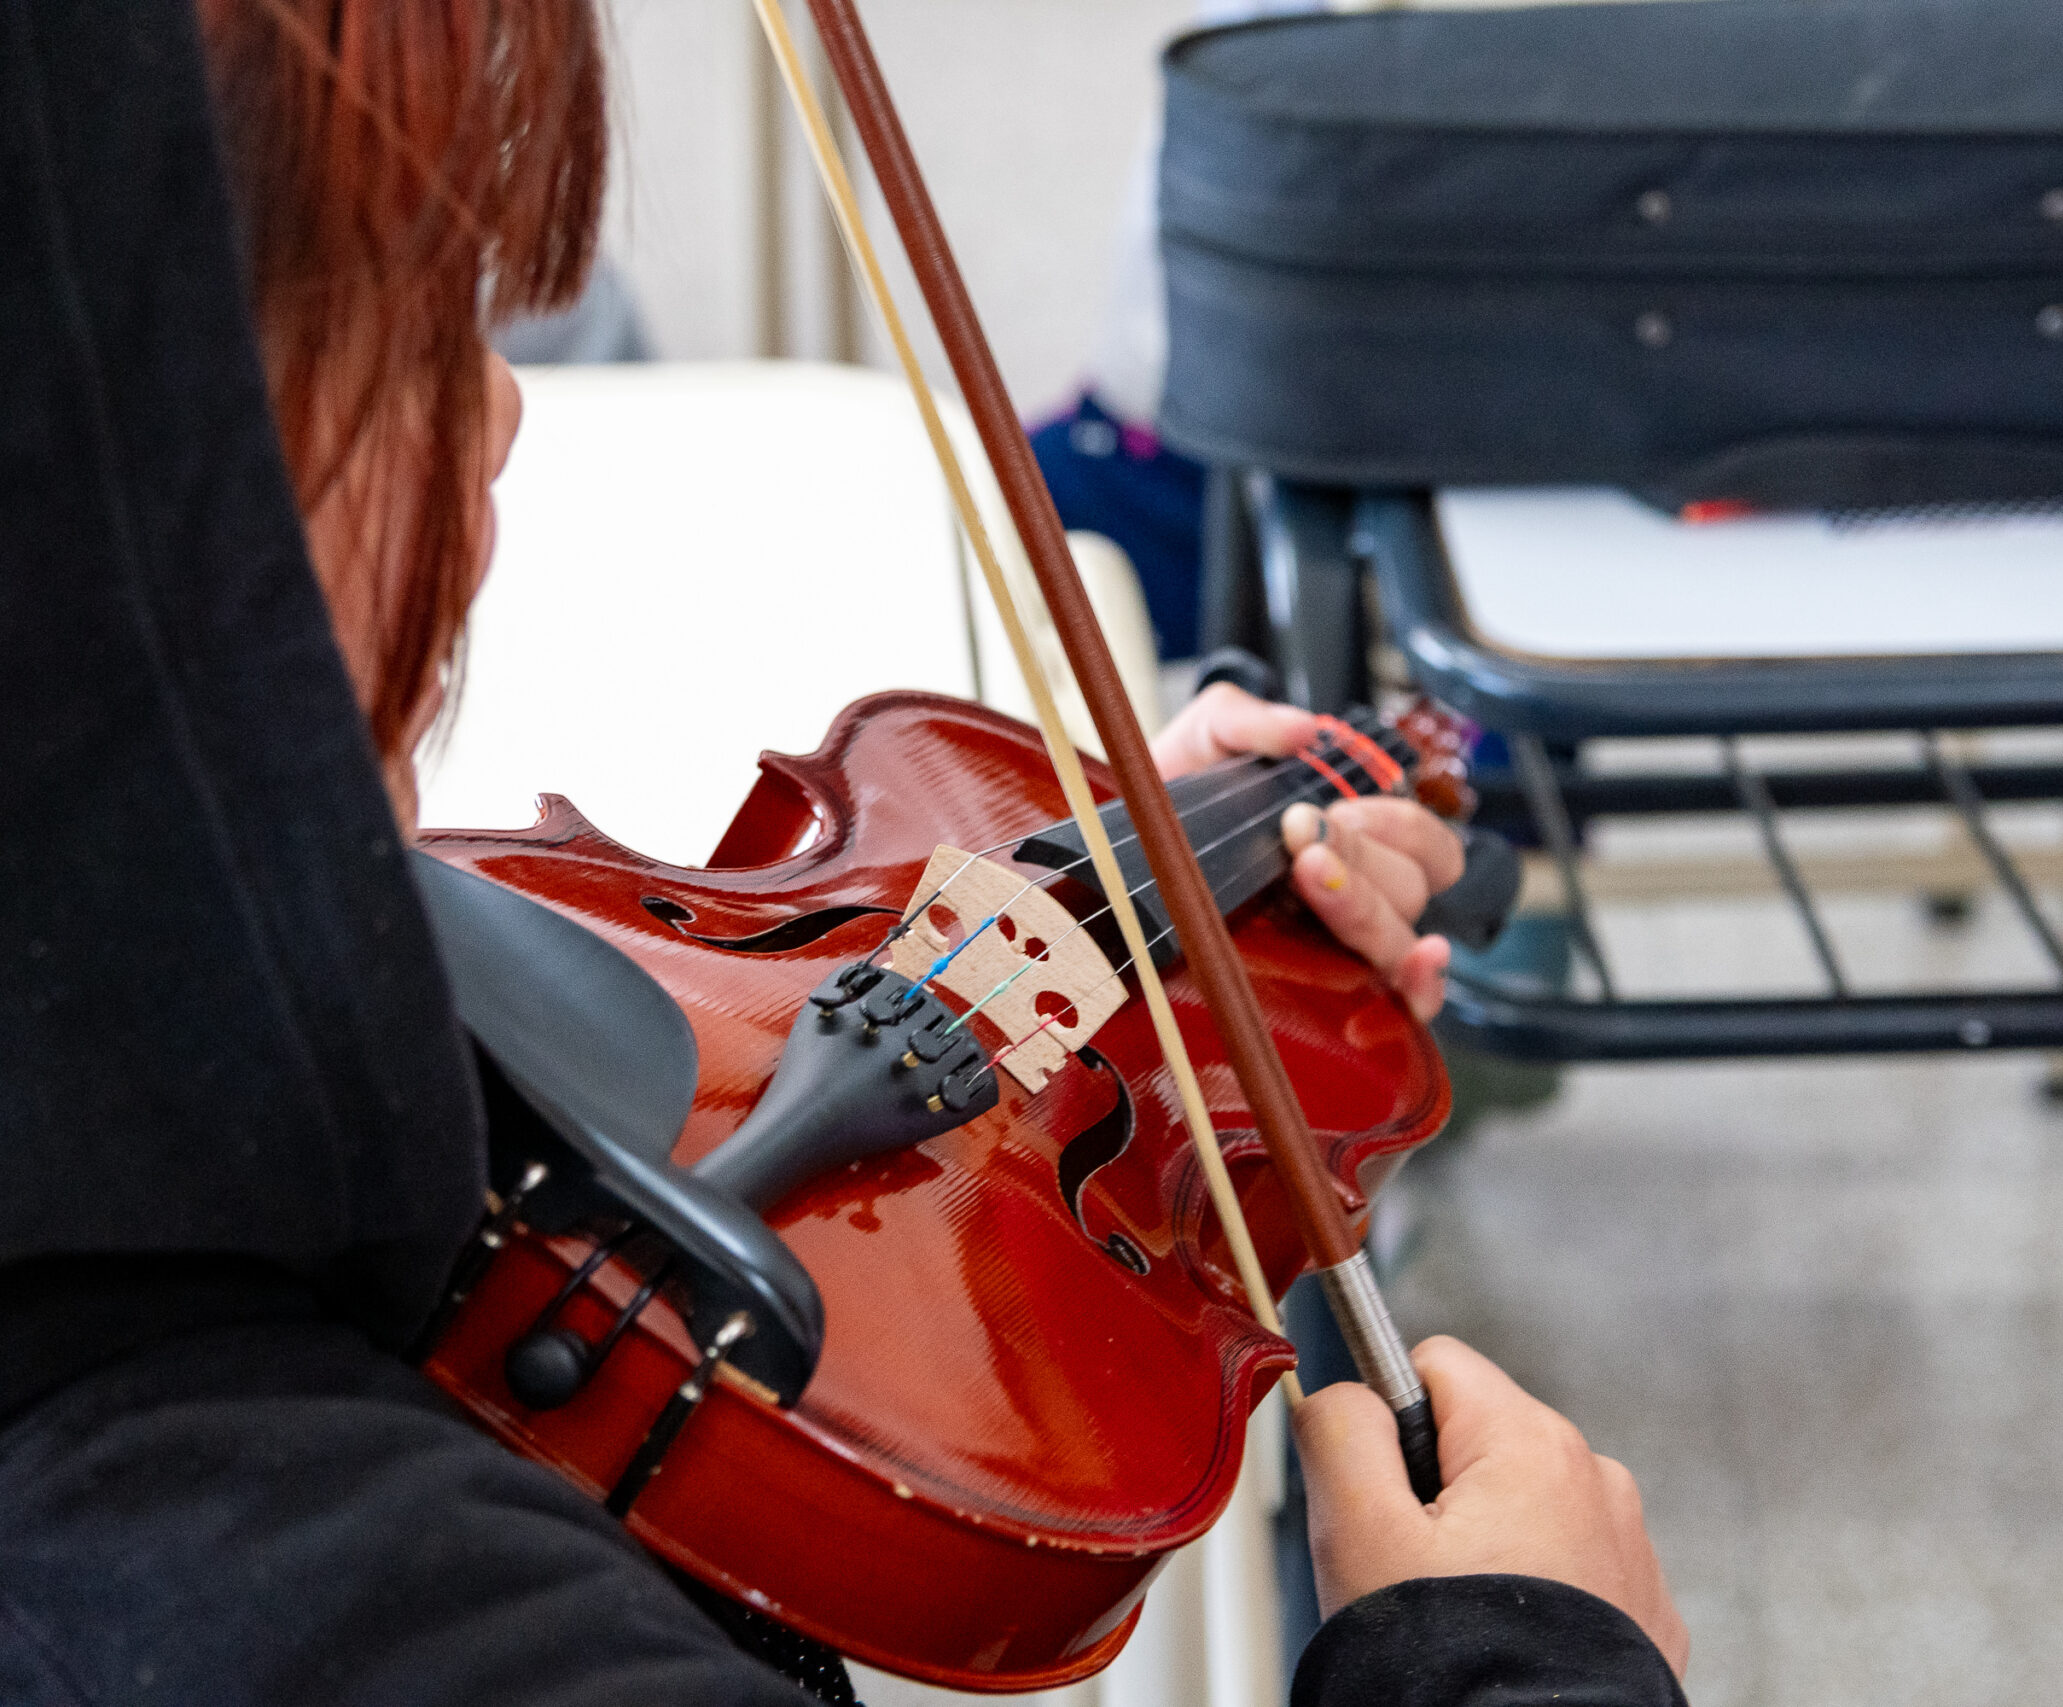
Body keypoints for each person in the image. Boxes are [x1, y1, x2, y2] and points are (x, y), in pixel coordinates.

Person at [0, 3, 1685, 1704]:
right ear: (124, 478)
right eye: (416, 322)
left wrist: (1086, 864)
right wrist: (1516, 1654)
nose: (506, 409)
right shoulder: (340, 1611)